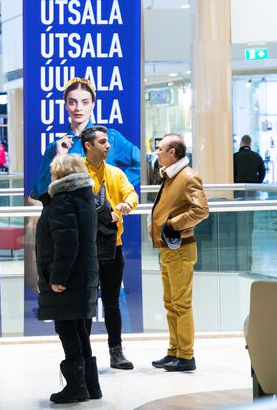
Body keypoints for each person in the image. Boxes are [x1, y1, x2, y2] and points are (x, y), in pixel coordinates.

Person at [35, 154, 99, 403]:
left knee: (67, 328)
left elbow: (66, 243)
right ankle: (90, 386)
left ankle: (76, 387)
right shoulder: (85, 197)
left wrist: (57, 277)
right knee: (79, 328)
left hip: (68, 277)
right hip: (83, 274)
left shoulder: (63, 200)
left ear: (60, 174)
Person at [81, 125, 138, 370]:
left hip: (113, 247)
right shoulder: (76, 172)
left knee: (112, 302)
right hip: (84, 249)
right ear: (88, 146)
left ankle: (116, 352)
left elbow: (131, 194)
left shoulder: (114, 173)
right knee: (85, 303)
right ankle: (83, 354)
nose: (108, 146)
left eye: (107, 141)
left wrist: (126, 205)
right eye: (102, 142)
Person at [150, 134, 209, 372]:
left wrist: (174, 223)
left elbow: (201, 209)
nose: (157, 152)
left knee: (181, 303)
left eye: (160, 149)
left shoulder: (187, 176)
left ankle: (186, 355)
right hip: (169, 248)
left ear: (173, 152)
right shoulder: (171, 175)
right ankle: (174, 351)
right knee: (170, 302)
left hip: (181, 248)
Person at [30, 77, 141, 198]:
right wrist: (59, 158)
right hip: (67, 214)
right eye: (72, 102)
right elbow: (39, 192)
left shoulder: (111, 137)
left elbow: (140, 164)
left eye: (85, 102)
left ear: (93, 104)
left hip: (101, 214)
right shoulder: (55, 147)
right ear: (65, 105)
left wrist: (114, 187)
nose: (78, 108)